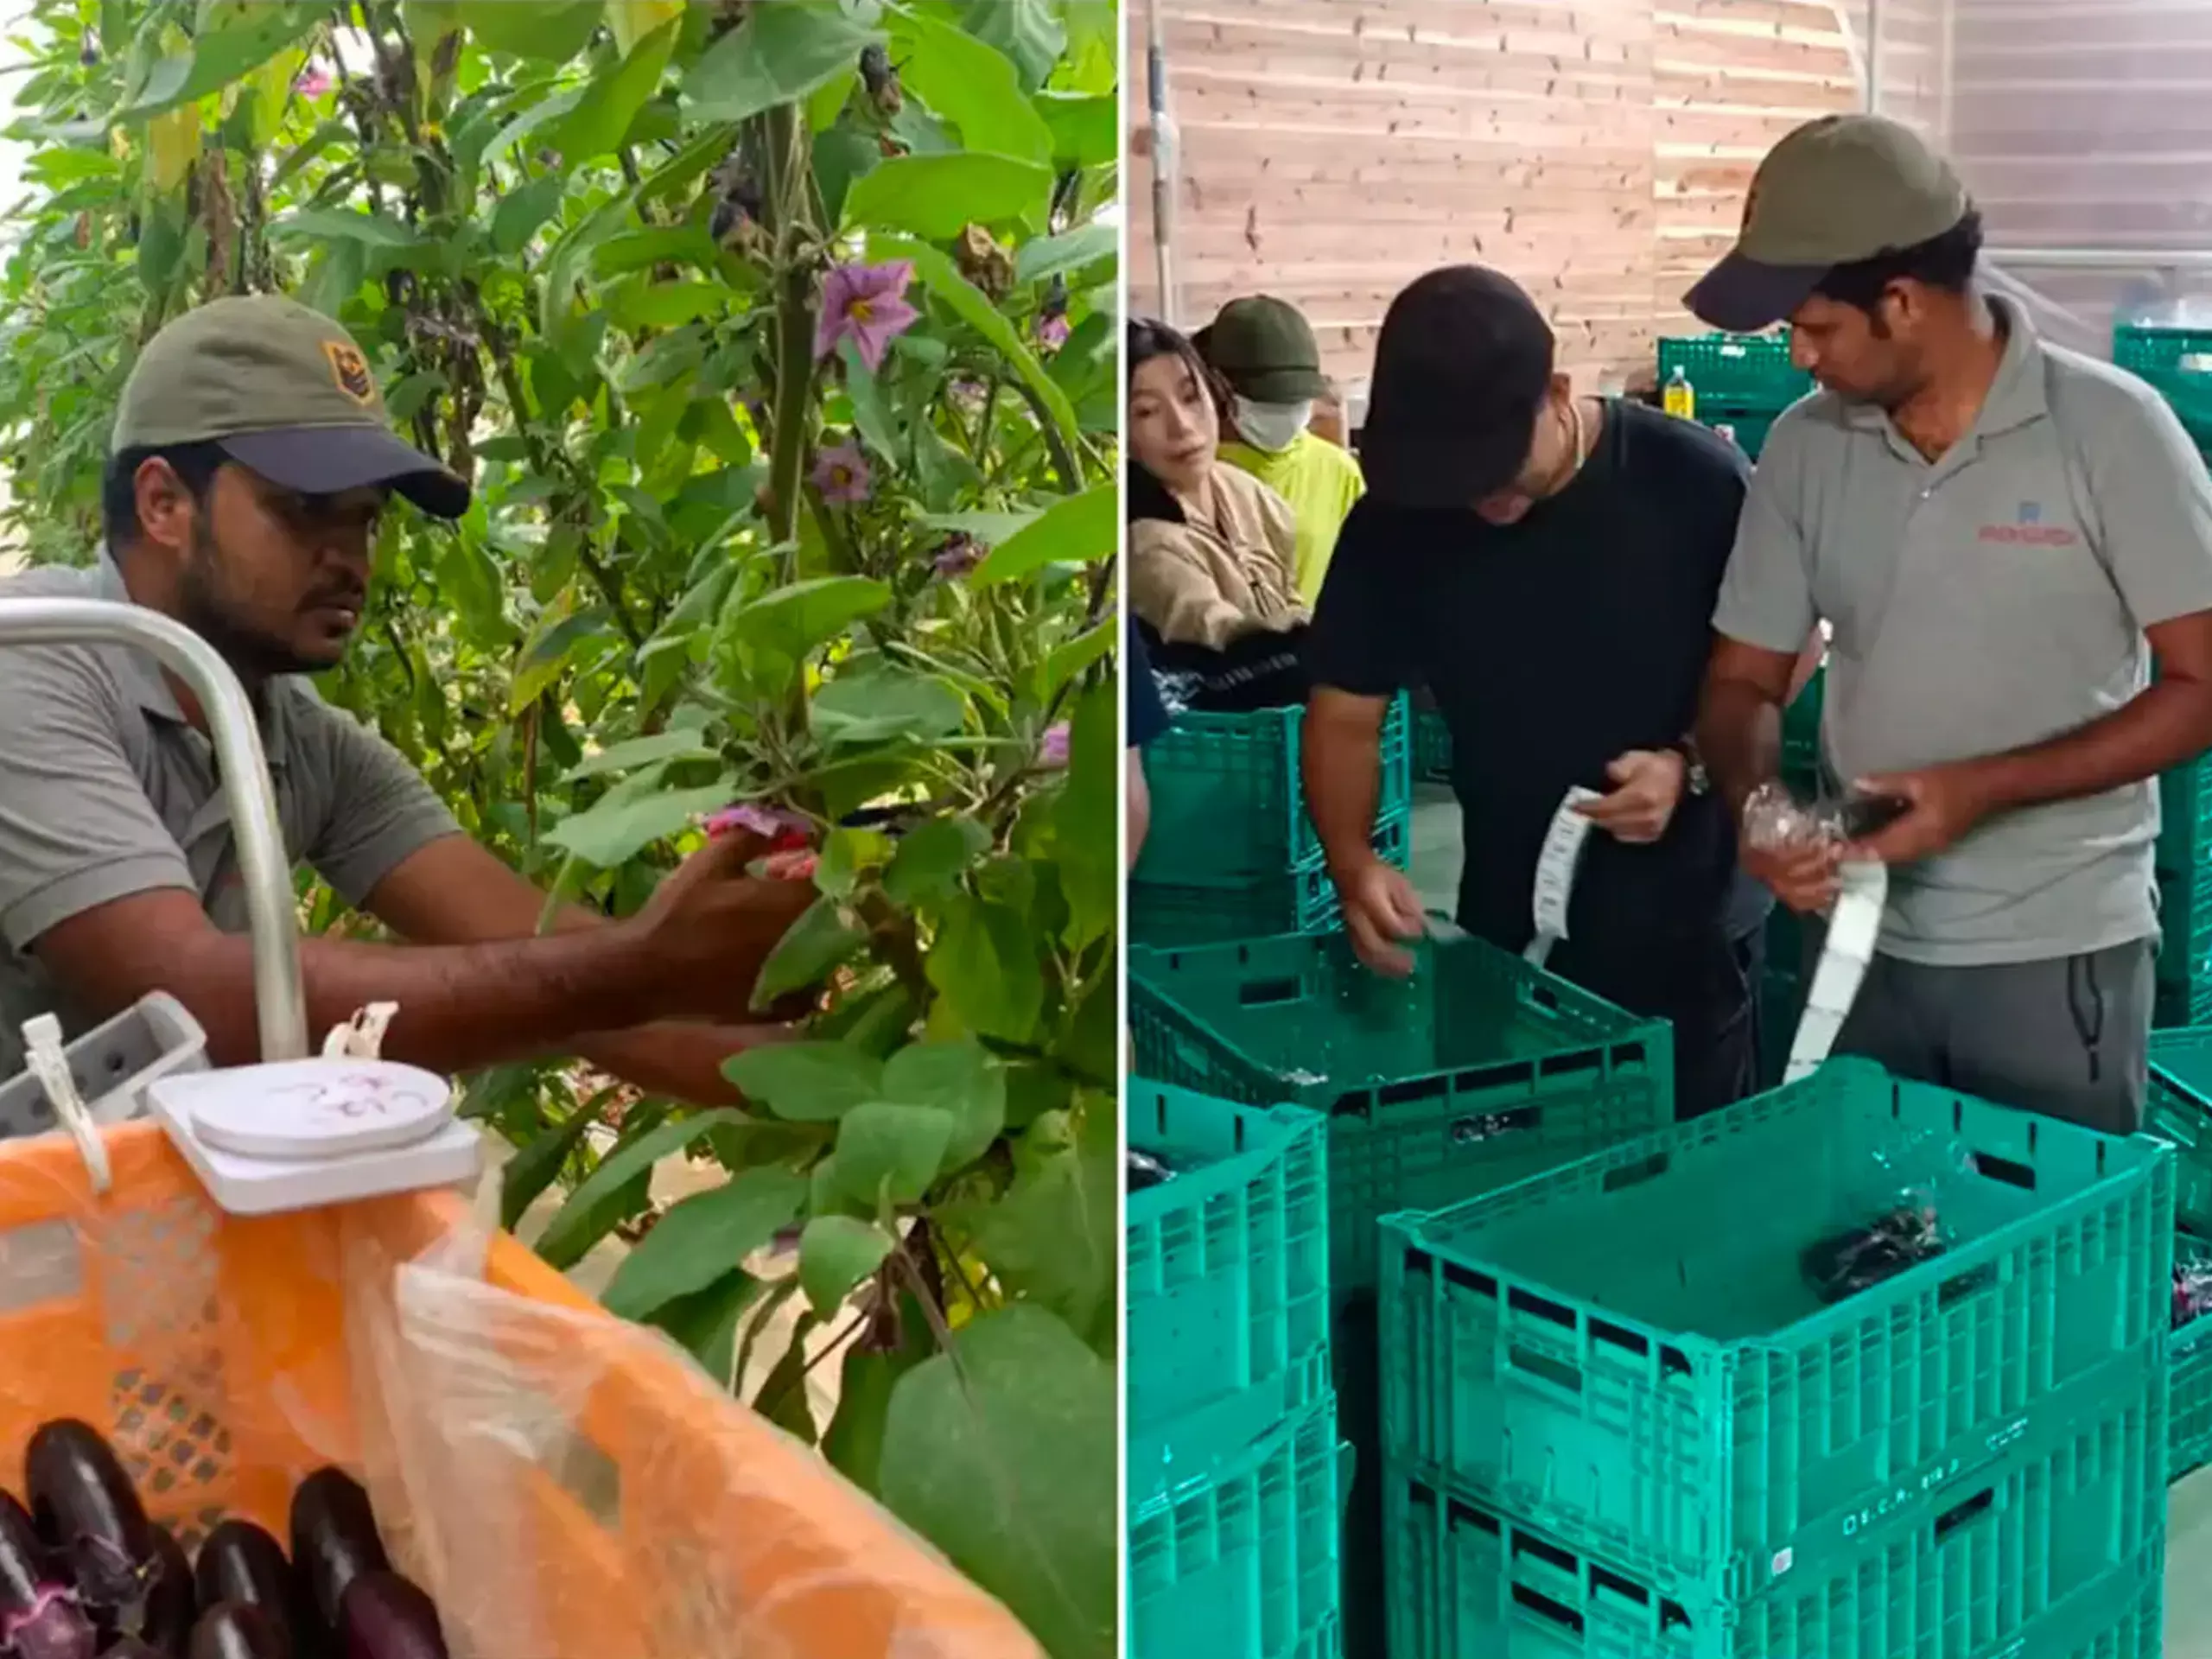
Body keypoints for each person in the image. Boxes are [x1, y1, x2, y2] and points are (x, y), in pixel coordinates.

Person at [0, 294, 816, 1095]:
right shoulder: (34, 661)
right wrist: (649, 965)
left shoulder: (300, 746)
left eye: (366, 522)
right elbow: (196, 1001)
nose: (351, 560)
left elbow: (564, 965)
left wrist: (870, 1071)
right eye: (305, 512)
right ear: (164, 503)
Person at [1692, 112, 2212, 1134]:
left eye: (1815, 326)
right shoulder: (1804, 449)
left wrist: (1984, 790)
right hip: (1861, 940)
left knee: (2044, 1253)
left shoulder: (2109, 435)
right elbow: (1741, 681)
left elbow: (2202, 683)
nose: (1796, 356)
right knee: (1867, 1245)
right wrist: (1757, 805)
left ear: (1902, 300)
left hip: (2054, 950)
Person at [1302, 265, 1770, 1120]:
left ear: (1557, 392)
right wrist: (1350, 859)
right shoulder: (1399, 519)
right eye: (1458, 482)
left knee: (1687, 1185)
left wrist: (1689, 763)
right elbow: (1344, 714)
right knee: (1510, 1167)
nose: (1483, 502)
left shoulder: (1696, 483)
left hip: (1689, 917)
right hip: (1506, 920)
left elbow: (1782, 653)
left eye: (1500, 469)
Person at [1126, 317, 1309, 712]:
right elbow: (1217, 634)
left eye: (1191, 396)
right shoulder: (1145, 543)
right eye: (1146, 412)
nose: (1182, 426)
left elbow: (1291, 598)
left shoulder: (1250, 494)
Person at [1197, 296, 1365, 602]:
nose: (1284, 412)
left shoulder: (1340, 473)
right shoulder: (1193, 474)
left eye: (1295, 401)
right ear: (1221, 386)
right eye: (1268, 400)